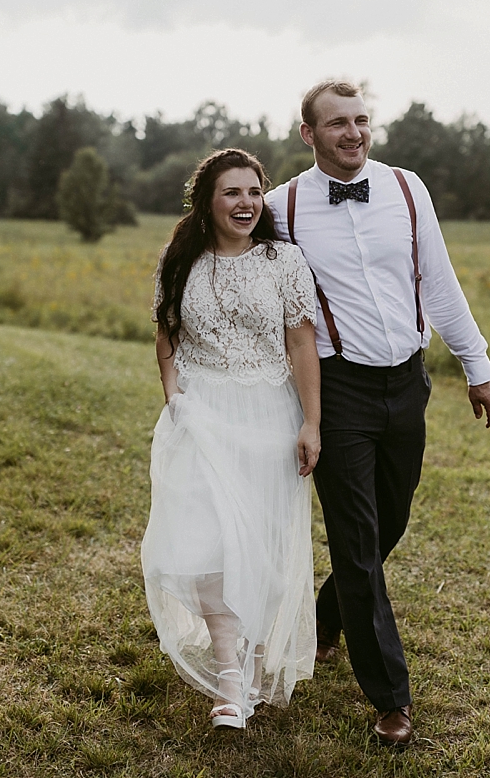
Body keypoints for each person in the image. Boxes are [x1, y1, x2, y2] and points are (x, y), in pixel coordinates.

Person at [266, 80, 490, 747]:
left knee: (389, 520)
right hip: (337, 391)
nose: (353, 133)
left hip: (408, 382)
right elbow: (255, 290)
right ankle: (391, 697)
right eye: (337, 123)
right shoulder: (282, 207)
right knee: (358, 544)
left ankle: (325, 619)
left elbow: (440, 278)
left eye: (361, 120)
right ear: (308, 134)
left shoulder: (405, 188)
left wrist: (476, 365)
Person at [142, 148, 322, 731]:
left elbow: (301, 344)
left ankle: (251, 660)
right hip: (202, 415)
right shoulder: (179, 259)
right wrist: (175, 397)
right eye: (232, 193)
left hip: (269, 414)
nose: (245, 204)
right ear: (207, 202)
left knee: (259, 547)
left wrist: (311, 421)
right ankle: (228, 678)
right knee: (203, 545)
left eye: (253, 192)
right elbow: (166, 331)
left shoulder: (283, 261)